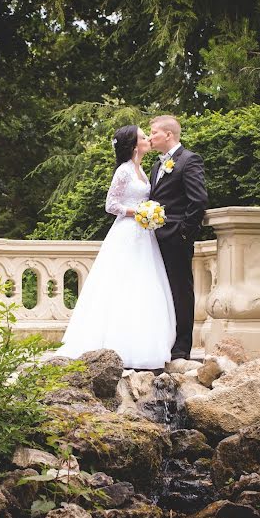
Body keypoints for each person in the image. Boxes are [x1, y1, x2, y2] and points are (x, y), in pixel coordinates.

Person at [56, 125, 176, 370]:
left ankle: (144, 342)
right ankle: (113, 345)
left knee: (143, 284)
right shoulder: (123, 171)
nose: (148, 139)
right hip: (127, 233)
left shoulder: (142, 169)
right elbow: (111, 205)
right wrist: (139, 212)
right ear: (134, 145)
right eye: (143, 137)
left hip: (144, 235)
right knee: (121, 284)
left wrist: (148, 213)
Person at [148, 115, 208, 360]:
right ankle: (164, 341)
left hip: (176, 238)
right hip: (155, 240)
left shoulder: (189, 160)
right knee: (161, 291)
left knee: (181, 290)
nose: (150, 138)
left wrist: (183, 232)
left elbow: (199, 200)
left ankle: (182, 347)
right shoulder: (155, 166)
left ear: (168, 135)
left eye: (153, 133)